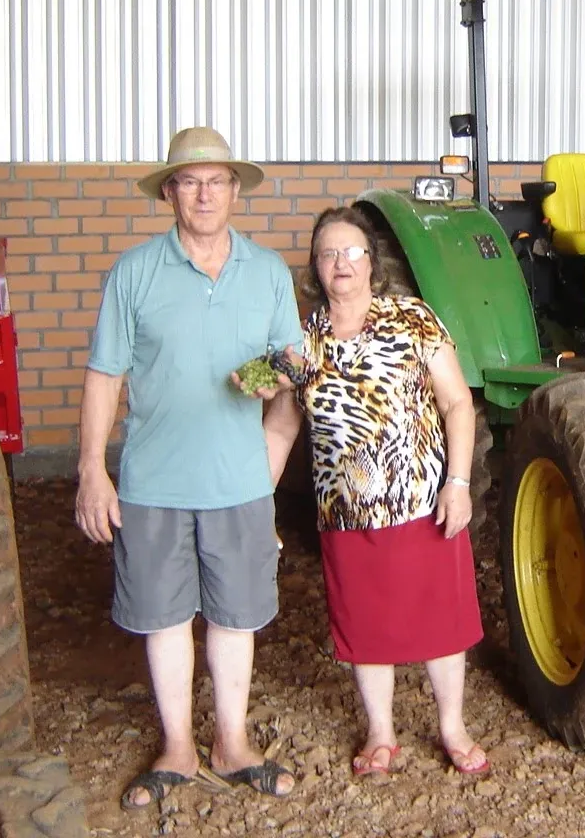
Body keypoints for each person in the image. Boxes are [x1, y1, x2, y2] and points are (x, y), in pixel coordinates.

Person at [75, 126, 301, 809]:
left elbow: (295, 360)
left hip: (238, 480)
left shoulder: (266, 272)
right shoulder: (135, 271)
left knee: (236, 616)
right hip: (153, 479)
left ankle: (232, 742)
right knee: (163, 616)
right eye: (190, 181)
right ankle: (177, 745)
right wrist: (92, 467)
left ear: (235, 190)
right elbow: (103, 376)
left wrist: (274, 379)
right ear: (170, 192)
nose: (204, 194)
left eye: (217, 181)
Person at [257, 205, 489, 777]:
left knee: (442, 622)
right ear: (315, 266)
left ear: (371, 262)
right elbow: (278, 426)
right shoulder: (300, 343)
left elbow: (457, 402)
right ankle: (381, 734)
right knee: (365, 627)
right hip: (347, 512)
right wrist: (255, 506)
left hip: (423, 502)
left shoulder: (413, 318)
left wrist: (458, 484)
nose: (342, 262)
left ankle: (452, 728)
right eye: (329, 253)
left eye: (352, 251)